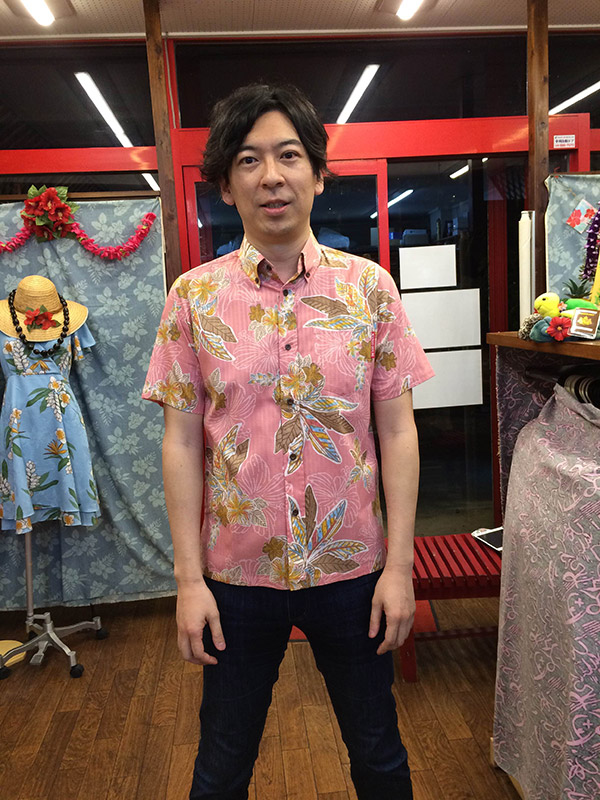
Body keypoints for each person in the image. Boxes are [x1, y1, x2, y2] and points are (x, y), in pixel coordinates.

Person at [143, 83, 434, 800]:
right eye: (248, 160)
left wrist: (400, 568)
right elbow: (181, 444)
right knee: (220, 766)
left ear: (318, 174)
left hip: (353, 571)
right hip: (236, 579)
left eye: (289, 155)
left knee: (380, 757)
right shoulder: (192, 299)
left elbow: (398, 430)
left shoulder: (370, 290)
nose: (271, 176)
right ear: (225, 185)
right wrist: (188, 582)